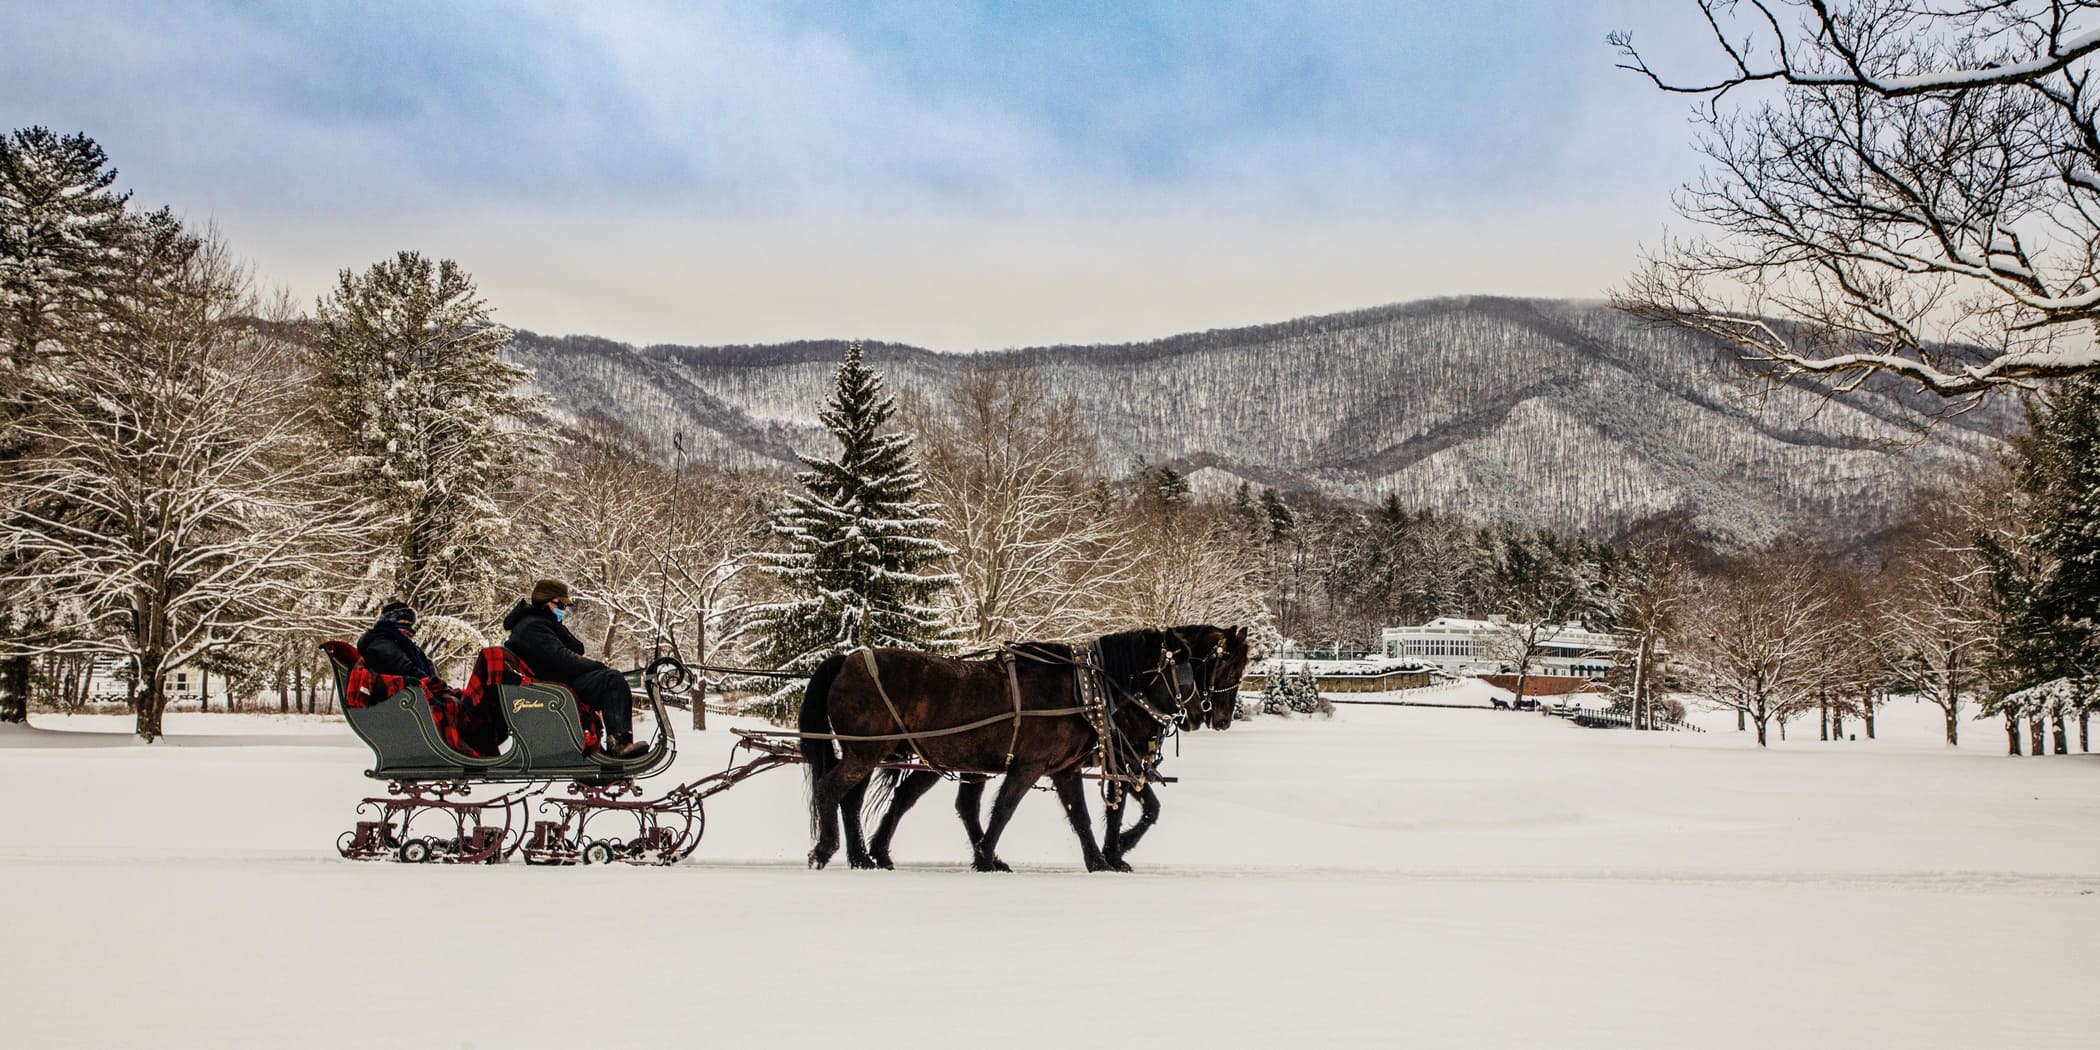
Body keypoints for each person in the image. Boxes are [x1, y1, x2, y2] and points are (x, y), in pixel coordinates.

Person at [501, 578, 649, 758]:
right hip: (553, 688)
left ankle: (610, 746)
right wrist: (598, 667)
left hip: (554, 683)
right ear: (546, 601)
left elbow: (576, 648)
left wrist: (557, 625)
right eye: (561, 605)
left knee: (609, 678)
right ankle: (619, 744)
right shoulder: (533, 625)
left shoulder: (539, 622)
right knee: (612, 680)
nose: (563, 610)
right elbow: (562, 659)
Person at [356, 601, 439, 681]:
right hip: (391, 690)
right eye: (402, 621)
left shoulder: (411, 647)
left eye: (409, 623)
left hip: (413, 690)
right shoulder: (377, 639)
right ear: (389, 621)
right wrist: (429, 683)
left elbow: (429, 670)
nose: (407, 626)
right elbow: (402, 666)